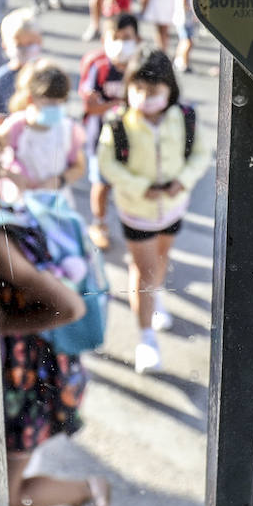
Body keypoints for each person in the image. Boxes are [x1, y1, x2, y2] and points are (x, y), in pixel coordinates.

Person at [0, 132, 111, 506]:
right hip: (16, 375)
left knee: (5, 493)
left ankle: (89, 492)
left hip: (26, 378)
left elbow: (70, 308)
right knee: (2, 480)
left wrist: (2, 327)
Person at [97, 50, 211, 373]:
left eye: (155, 91)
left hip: (173, 208)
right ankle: (146, 339)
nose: (146, 98)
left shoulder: (184, 117)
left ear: (170, 90)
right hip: (137, 210)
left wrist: (184, 181)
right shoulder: (119, 124)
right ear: (128, 88)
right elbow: (107, 163)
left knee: (161, 259)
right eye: (139, 90)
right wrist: (139, 186)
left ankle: (156, 297)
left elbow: (201, 154)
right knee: (144, 268)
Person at [79, 14, 141, 250]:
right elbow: (90, 106)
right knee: (102, 185)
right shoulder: (99, 67)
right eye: (115, 37)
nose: (121, 43)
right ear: (105, 39)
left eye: (127, 38)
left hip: (134, 140)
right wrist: (120, 106)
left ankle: (132, 225)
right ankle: (99, 224)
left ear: (137, 39)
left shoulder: (140, 67)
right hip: (101, 140)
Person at [0, 62, 87, 204]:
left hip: (56, 201)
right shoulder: (16, 126)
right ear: (30, 99)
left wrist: (59, 180)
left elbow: (79, 166)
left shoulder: (69, 130)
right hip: (21, 201)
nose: (56, 107)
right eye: (49, 102)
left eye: (60, 102)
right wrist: (12, 175)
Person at [0, 9, 44, 124]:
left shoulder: (46, 74)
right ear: (5, 46)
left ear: (39, 41)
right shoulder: (0, 79)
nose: (25, 49)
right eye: (19, 45)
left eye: (30, 43)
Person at [172, 0, 201, 73]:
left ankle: (178, 61)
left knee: (184, 40)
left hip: (182, 16)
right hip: (184, 17)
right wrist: (191, 11)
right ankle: (183, 63)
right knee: (187, 41)